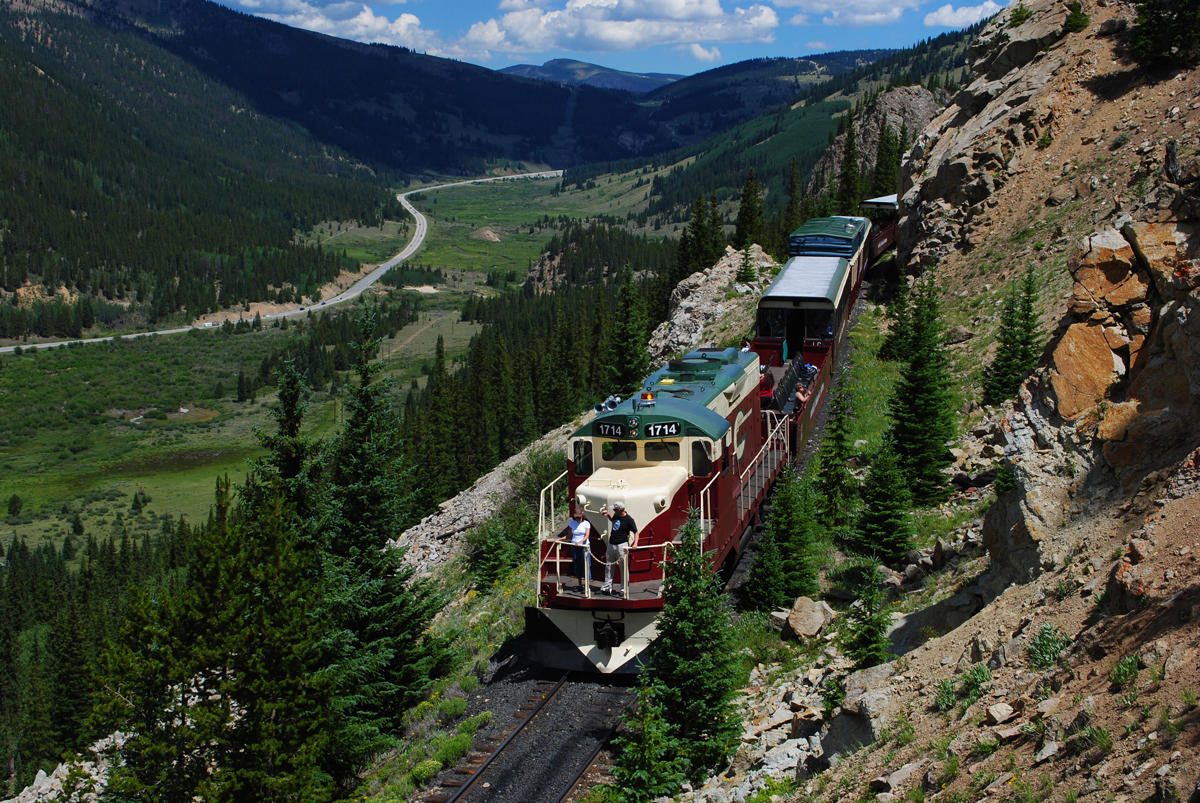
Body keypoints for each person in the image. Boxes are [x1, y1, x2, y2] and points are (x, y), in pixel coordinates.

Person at [600, 502, 637, 596]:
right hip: (611, 543)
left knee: (623, 567)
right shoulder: (616, 516)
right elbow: (613, 520)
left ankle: (624, 589)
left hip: (622, 544)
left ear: (620, 510)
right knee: (609, 565)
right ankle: (607, 587)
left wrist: (635, 543)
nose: (613, 510)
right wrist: (608, 515)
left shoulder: (629, 520)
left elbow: (636, 532)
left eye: (614, 509)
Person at [566, 509, 592, 593]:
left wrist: (580, 542)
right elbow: (569, 535)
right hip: (574, 547)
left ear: (582, 516)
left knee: (586, 565)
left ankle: (587, 586)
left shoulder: (586, 523)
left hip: (584, 547)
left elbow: (587, 536)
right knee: (577, 565)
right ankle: (580, 585)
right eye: (576, 517)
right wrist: (559, 539)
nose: (578, 519)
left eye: (579, 517)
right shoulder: (572, 523)